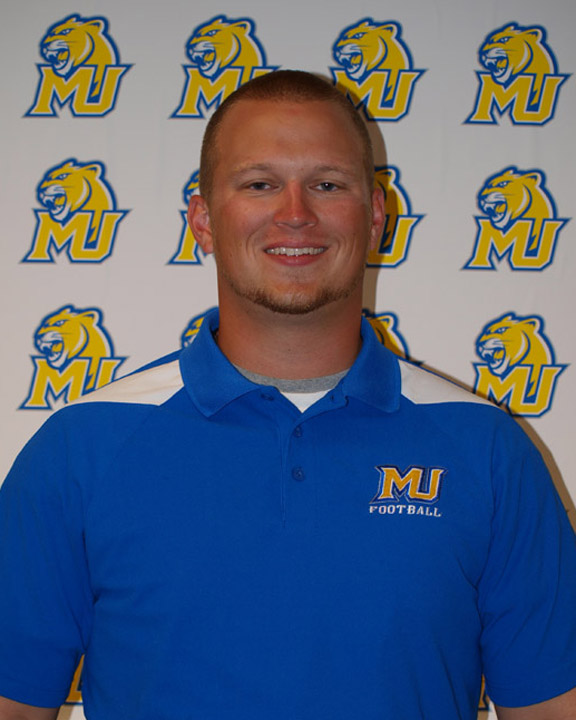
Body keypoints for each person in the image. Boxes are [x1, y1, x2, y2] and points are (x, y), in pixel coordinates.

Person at [0, 70, 575, 720]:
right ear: (202, 219)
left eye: (327, 184)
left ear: (376, 216)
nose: (295, 213)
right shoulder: (83, 447)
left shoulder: (486, 449)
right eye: (259, 184)